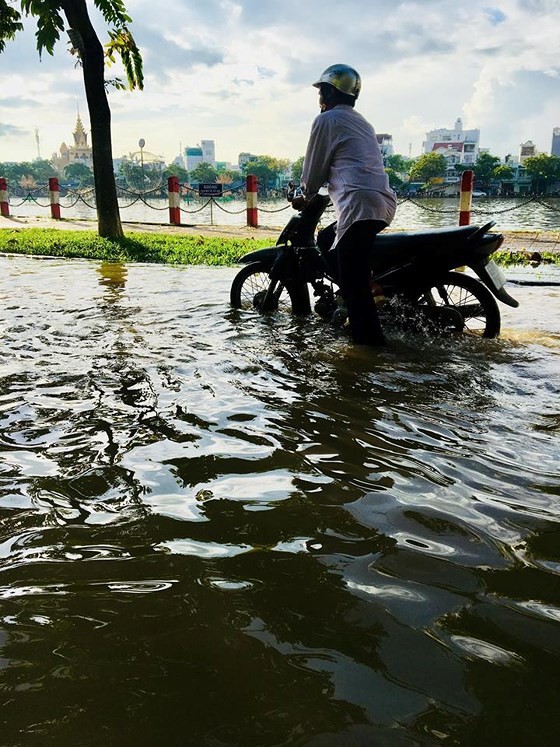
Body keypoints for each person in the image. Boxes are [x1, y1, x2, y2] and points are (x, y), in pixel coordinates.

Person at [293, 64, 397, 345]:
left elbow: (313, 172)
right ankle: (372, 285)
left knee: (354, 290)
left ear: (328, 92)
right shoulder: (362, 122)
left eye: (322, 91)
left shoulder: (326, 120)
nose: (319, 98)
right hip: (381, 203)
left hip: (358, 204)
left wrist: (305, 195)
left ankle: (369, 353)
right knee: (327, 239)